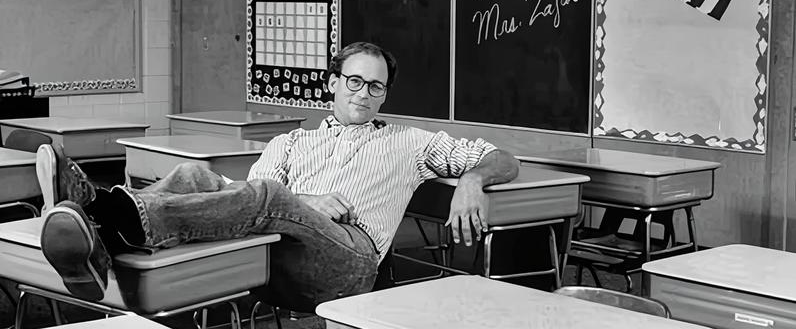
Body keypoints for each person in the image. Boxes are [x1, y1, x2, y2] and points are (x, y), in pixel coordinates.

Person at [38, 41, 519, 311]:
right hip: (274, 255)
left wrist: (472, 180)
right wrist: (308, 201)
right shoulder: (290, 142)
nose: (363, 93)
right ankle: (98, 237)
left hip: (349, 264)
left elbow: (503, 158)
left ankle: (102, 209)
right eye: (354, 81)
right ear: (333, 83)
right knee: (193, 175)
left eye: (376, 86)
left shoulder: (410, 142)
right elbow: (249, 202)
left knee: (270, 194)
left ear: (385, 94)